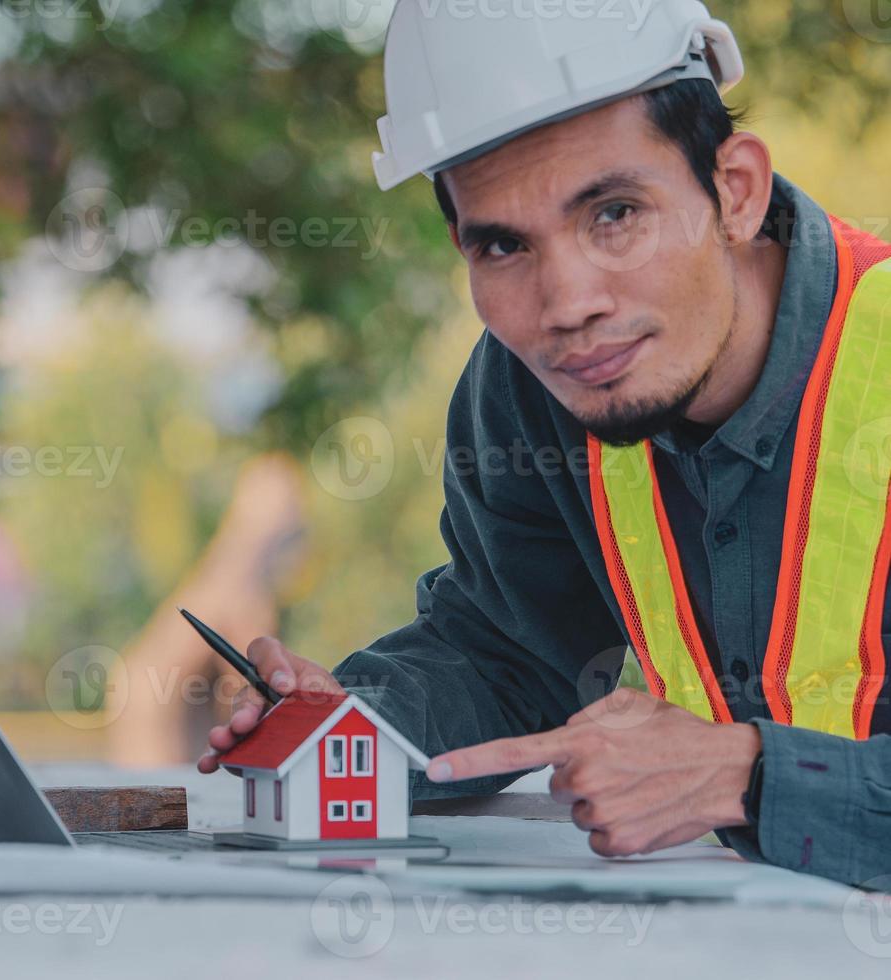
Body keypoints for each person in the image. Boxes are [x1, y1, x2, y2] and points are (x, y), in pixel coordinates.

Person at [198, 0, 891, 886]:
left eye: (613, 214)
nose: (566, 304)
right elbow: (509, 651)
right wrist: (349, 726)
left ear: (736, 191)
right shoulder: (531, 391)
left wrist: (744, 776)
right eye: (503, 245)